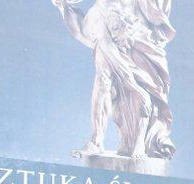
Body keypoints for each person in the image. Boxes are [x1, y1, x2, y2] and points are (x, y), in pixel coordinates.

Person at [52, 0, 176, 162]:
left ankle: (138, 142)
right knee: (103, 80)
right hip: (104, 16)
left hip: (136, 27)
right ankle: (96, 140)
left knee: (143, 86)